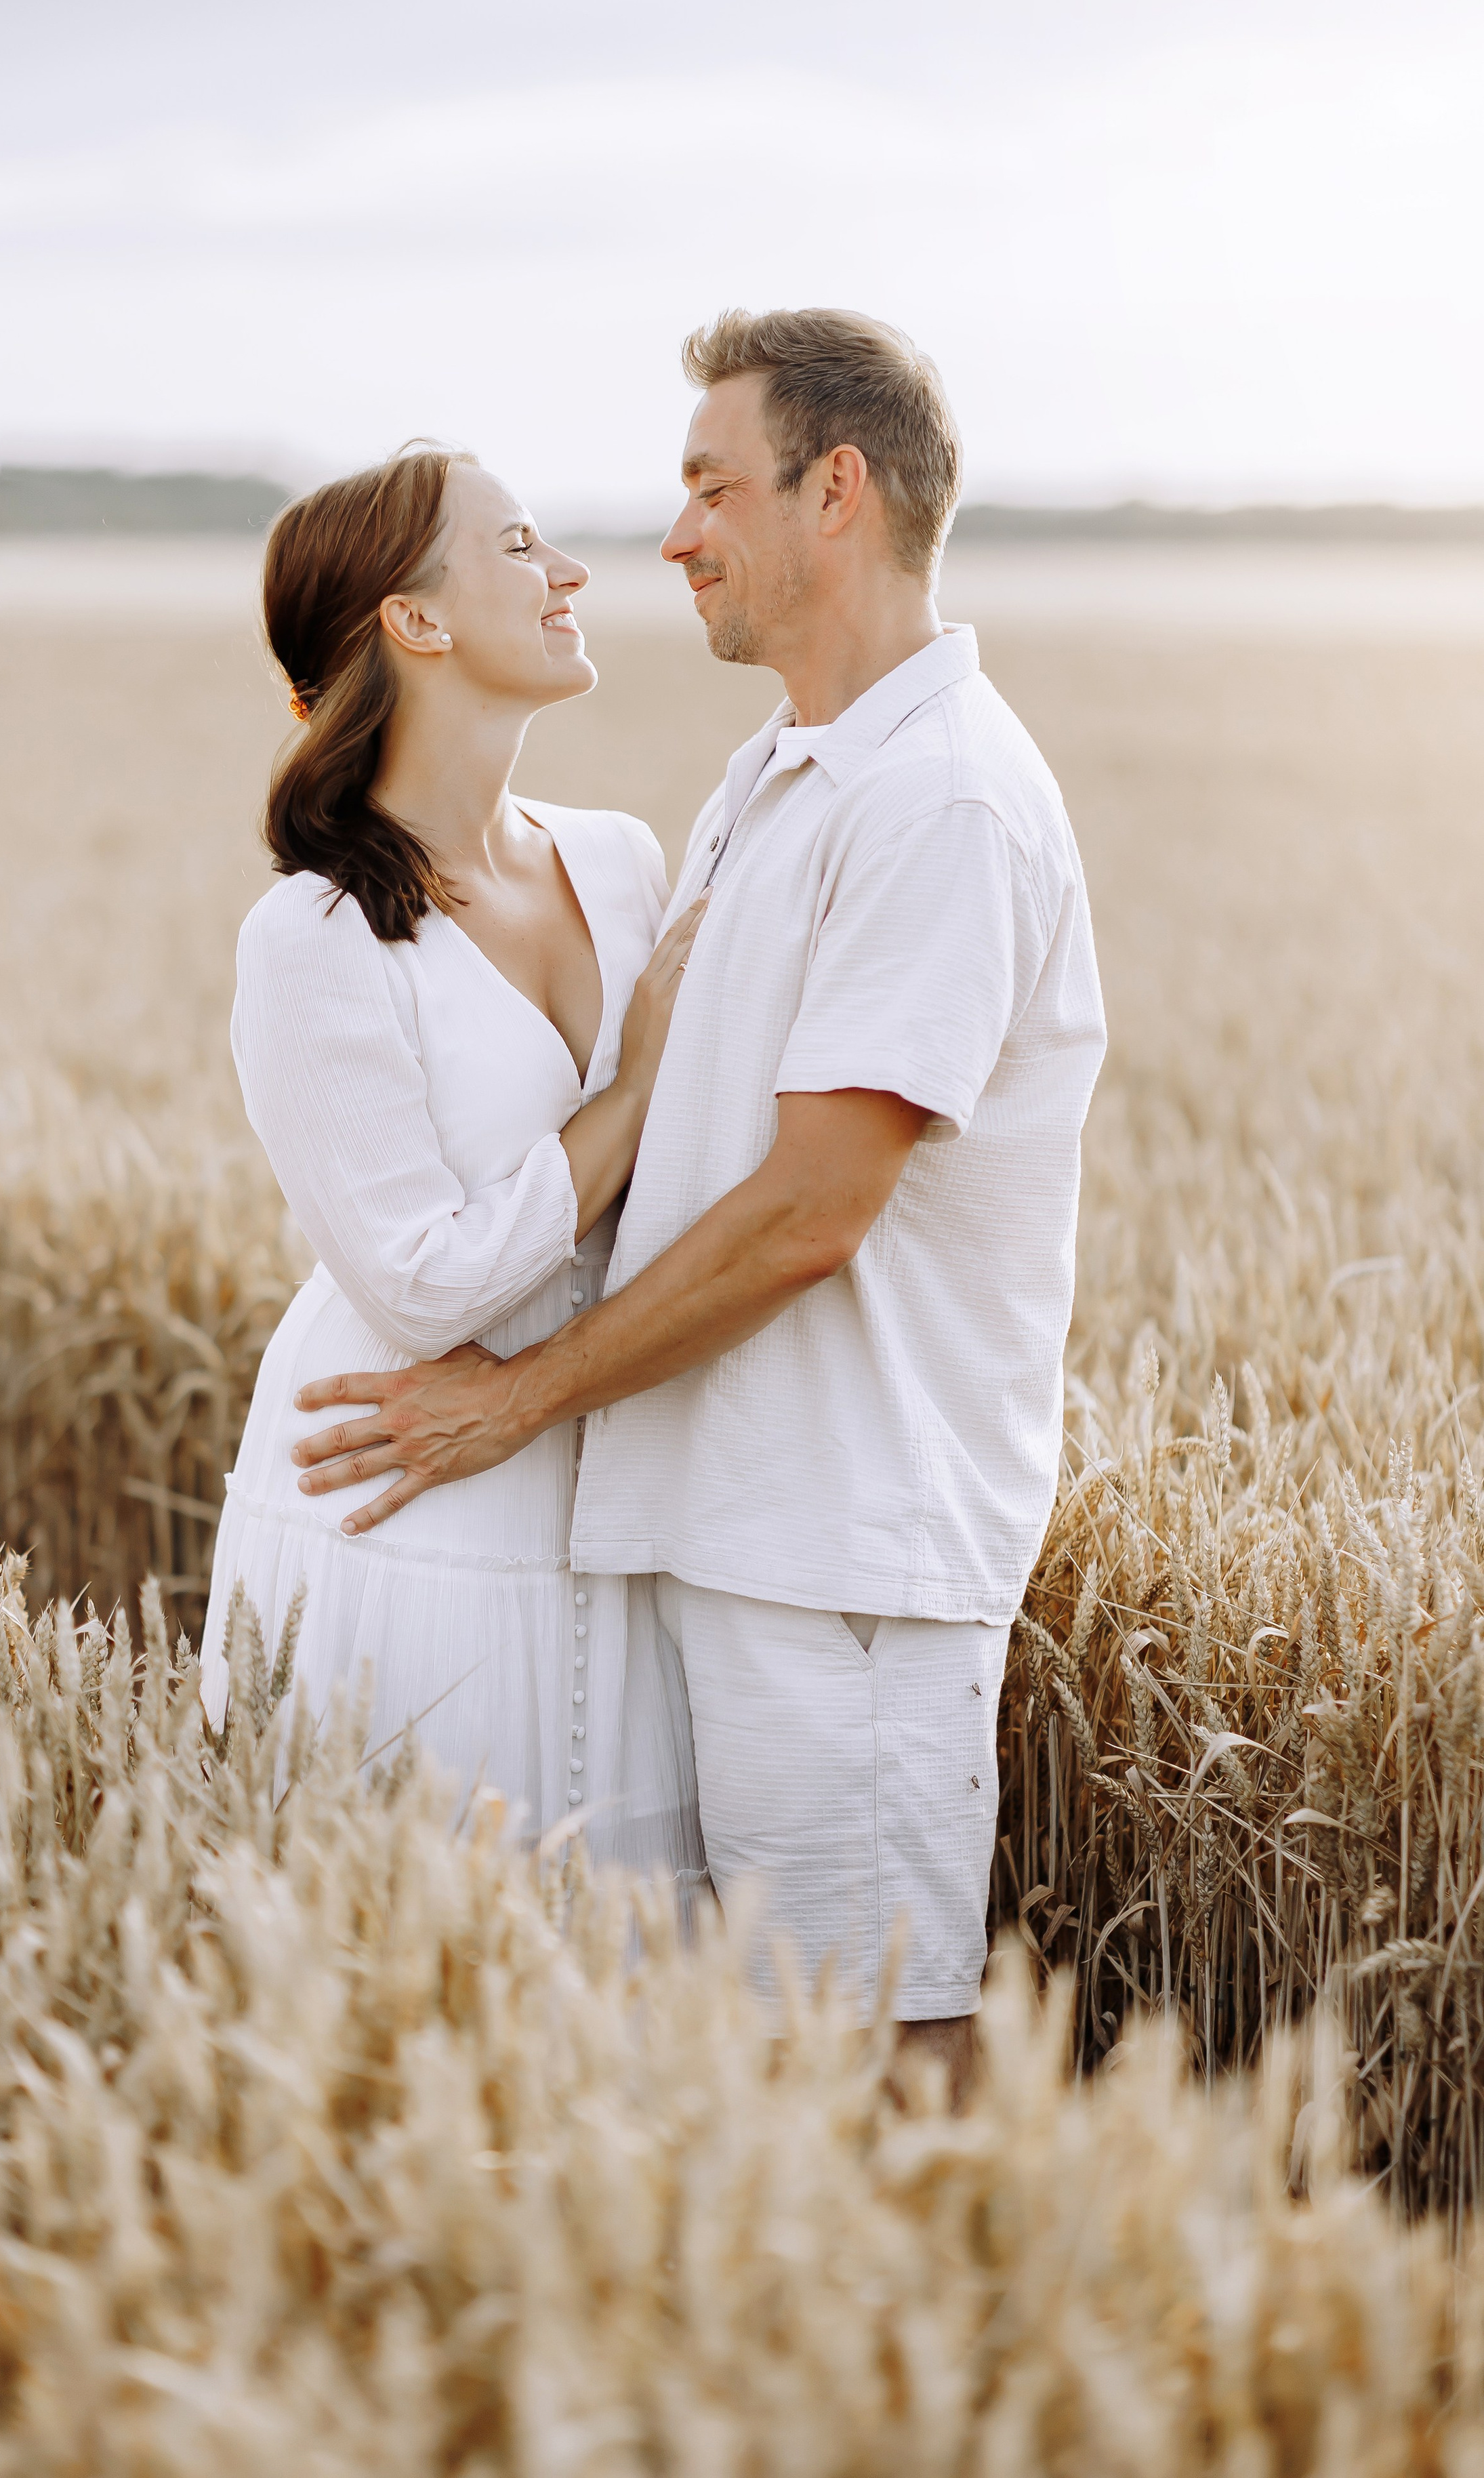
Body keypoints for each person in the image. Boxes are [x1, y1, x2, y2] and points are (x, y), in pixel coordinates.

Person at [285, 310, 1108, 2097]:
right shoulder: (776, 775)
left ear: (837, 492)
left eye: (709, 487)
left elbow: (817, 1209)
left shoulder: (942, 801)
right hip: (751, 1535)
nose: (670, 539)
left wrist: (514, 1400)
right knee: (783, 2060)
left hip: (854, 1551)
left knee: (883, 2049)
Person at [199, 445, 705, 1887]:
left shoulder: (620, 861)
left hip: (609, 1485)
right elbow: (426, 1290)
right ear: (414, 623)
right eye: (524, 546)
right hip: (401, 1495)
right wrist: (648, 1069)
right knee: (415, 1951)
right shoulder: (312, 941)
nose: (570, 576)